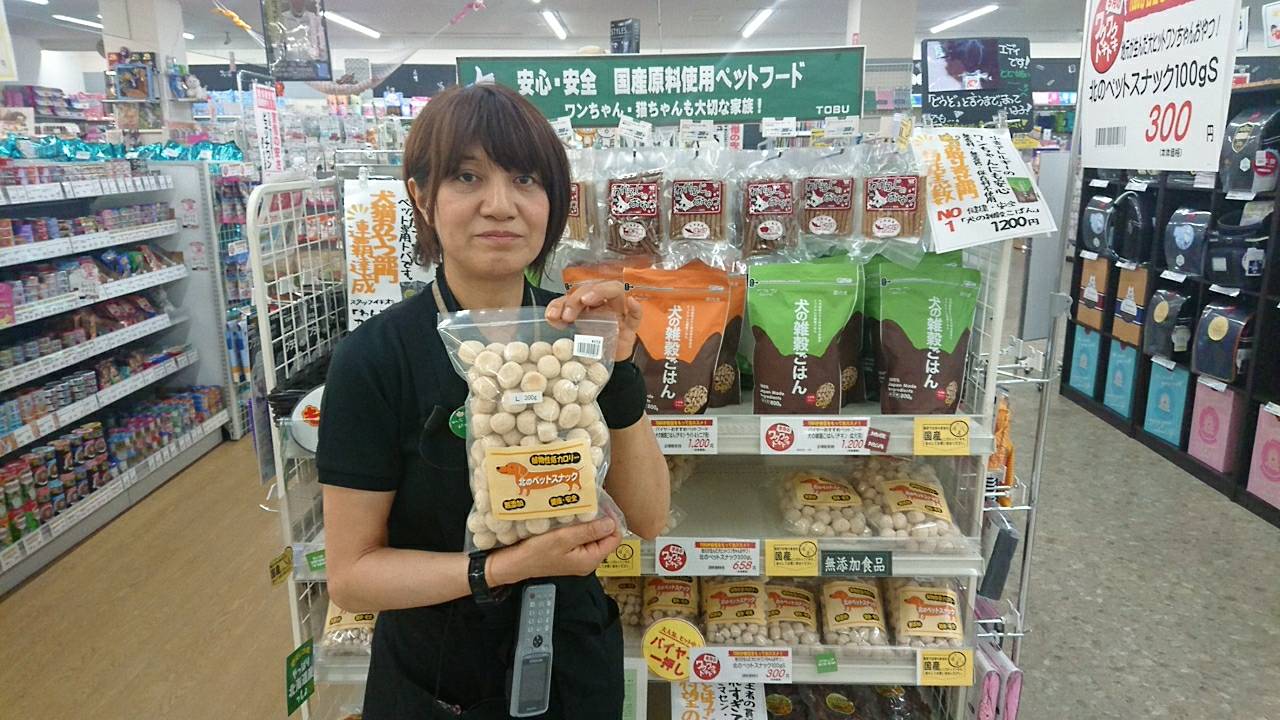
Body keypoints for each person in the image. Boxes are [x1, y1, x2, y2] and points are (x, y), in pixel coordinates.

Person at [317, 83, 670, 719]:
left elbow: (647, 516)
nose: (500, 205)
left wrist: (618, 365)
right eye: (467, 177)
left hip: (572, 662)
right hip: (437, 677)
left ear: (554, 201)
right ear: (422, 197)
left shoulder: (579, 332)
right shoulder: (376, 357)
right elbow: (352, 576)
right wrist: (501, 567)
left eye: (525, 179)